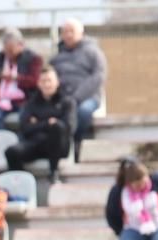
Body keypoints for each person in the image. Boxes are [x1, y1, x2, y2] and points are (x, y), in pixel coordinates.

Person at [5, 65, 74, 182]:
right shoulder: (31, 103)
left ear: (57, 82)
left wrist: (38, 123)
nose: (47, 84)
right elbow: (25, 128)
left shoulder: (67, 102)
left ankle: (54, 172)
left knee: (57, 128)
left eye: (50, 80)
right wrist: (47, 123)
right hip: (35, 144)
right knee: (11, 152)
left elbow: (69, 127)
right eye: (43, 81)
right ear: (38, 83)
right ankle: (22, 182)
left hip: (58, 146)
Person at [51, 19, 105, 152]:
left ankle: (76, 142)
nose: (68, 35)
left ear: (81, 33)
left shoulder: (93, 52)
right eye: (65, 32)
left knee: (82, 112)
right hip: (63, 98)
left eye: (72, 31)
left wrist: (76, 97)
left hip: (88, 97)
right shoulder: (57, 58)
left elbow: (98, 76)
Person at [0, 28, 41, 130]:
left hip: (25, 100)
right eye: (6, 50)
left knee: (26, 116)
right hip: (1, 100)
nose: (9, 54)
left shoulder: (33, 58)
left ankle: (22, 143)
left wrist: (15, 77)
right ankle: (1, 141)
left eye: (11, 50)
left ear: (20, 45)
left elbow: (35, 81)